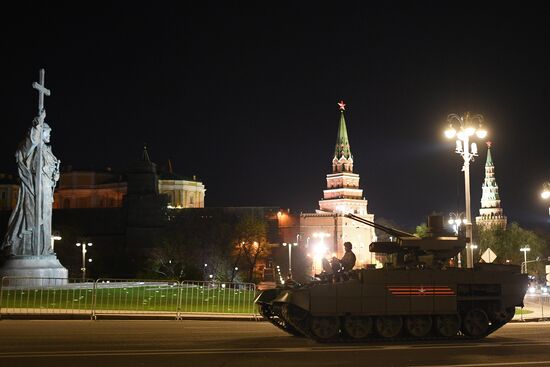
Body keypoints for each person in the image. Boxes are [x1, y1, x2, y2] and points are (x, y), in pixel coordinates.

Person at [2, 110, 60, 256]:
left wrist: (55, 176)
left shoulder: (47, 150)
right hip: (34, 189)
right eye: (47, 132)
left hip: (46, 188)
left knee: (46, 218)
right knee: (34, 217)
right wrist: (39, 123)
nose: (50, 135)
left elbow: (50, 170)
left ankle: (45, 249)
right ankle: (31, 249)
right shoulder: (28, 147)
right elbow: (31, 141)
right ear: (40, 132)